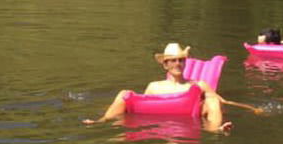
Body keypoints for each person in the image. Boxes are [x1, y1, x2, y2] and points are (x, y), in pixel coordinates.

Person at [83, 42, 231, 133]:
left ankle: (215, 130)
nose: (177, 64)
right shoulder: (154, 87)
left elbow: (221, 104)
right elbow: (143, 107)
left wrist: (211, 99)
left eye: (180, 60)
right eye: (172, 61)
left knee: (212, 100)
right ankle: (101, 121)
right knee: (124, 93)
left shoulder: (198, 84)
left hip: (191, 116)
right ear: (165, 65)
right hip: (163, 125)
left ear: (185, 62)